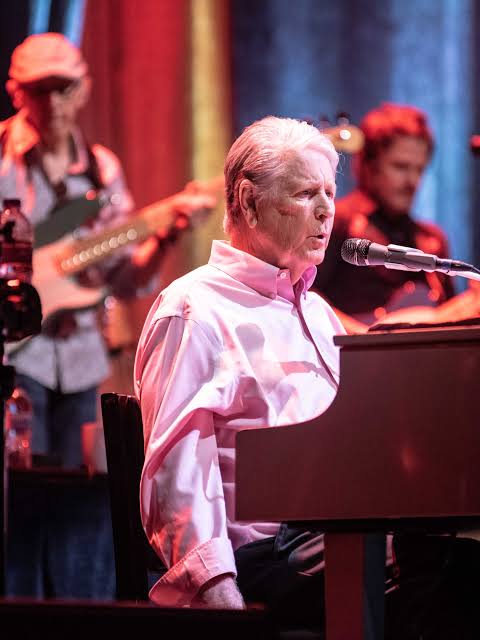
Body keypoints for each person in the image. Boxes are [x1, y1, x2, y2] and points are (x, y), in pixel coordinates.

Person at [134, 116, 344, 621]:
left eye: (330, 193)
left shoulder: (319, 315)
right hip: (265, 559)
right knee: (439, 568)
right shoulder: (194, 309)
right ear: (249, 202)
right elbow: (179, 476)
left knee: (446, 554)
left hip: (337, 539)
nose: (325, 211)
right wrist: (219, 593)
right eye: (306, 194)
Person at [1, 33, 214, 468]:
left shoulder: (102, 169)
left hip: (81, 355)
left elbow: (125, 278)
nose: (53, 103)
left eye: (63, 88)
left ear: (83, 90)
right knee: (21, 490)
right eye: (40, 90)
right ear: (16, 92)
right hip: (14, 354)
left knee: (75, 491)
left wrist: (166, 236)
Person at [311, 102, 475, 334]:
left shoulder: (431, 239)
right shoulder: (333, 221)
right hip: (351, 355)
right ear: (369, 165)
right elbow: (302, 295)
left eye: (419, 169)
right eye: (401, 167)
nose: (412, 181)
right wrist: (365, 338)